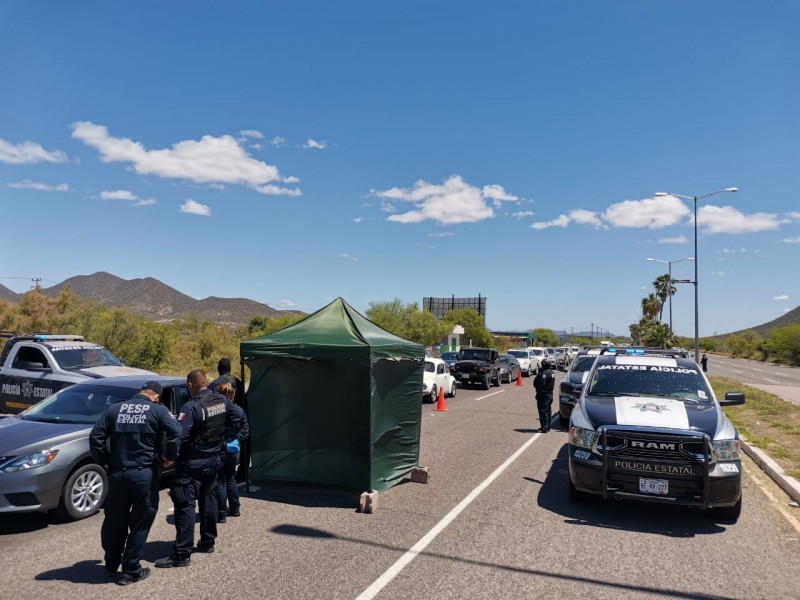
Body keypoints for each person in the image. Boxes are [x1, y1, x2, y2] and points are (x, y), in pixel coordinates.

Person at [89, 381, 181, 586]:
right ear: (156, 396)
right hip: (143, 475)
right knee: (140, 522)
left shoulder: (115, 408)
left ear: (141, 392)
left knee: (114, 521)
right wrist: (169, 457)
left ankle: (111, 564)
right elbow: (176, 431)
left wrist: (104, 460)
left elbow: (96, 436)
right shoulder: (158, 410)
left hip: (118, 474)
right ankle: (131, 570)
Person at [155, 370, 245, 568]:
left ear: (189, 385)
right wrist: (227, 438)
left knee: (185, 505)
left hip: (192, 464)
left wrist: (170, 459)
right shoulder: (221, 401)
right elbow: (239, 417)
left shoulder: (191, 407)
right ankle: (208, 541)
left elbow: (179, 435)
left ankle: (182, 553)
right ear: (206, 383)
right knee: (209, 500)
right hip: (213, 461)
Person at [213, 381, 249, 522]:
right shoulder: (239, 410)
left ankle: (221, 514)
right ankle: (235, 509)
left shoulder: (216, 412)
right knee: (231, 478)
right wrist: (236, 440)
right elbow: (245, 429)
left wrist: (223, 444)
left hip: (220, 448)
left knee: (220, 481)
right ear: (232, 395)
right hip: (234, 449)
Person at [533, 358, 555, 432]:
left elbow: (541, 384)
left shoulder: (544, 373)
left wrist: (539, 392)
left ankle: (544, 427)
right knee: (548, 410)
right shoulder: (551, 372)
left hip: (544, 395)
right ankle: (548, 426)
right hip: (549, 394)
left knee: (543, 411)